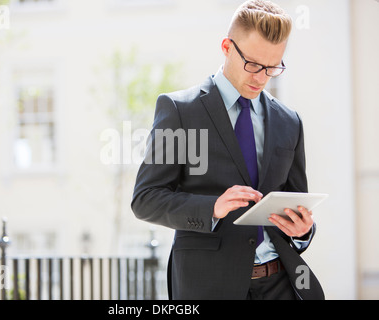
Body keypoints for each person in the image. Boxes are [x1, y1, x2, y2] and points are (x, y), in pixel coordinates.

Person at [131, 0, 324, 300]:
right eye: (253, 65)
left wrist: (302, 230)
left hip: (281, 283)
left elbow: (293, 202)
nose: (261, 78)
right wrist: (213, 208)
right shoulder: (180, 111)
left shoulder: (290, 122)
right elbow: (146, 199)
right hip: (209, 286)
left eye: (272, 68)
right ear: (226, 47)